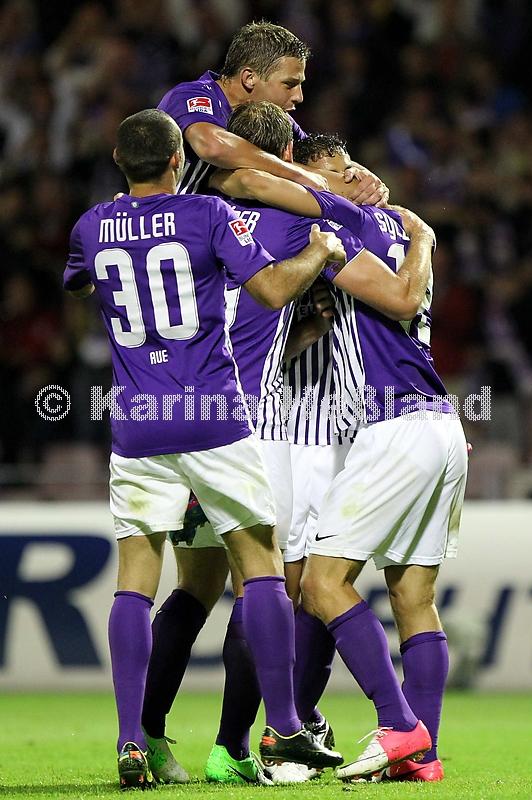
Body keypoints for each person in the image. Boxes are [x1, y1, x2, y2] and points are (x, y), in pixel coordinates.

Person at [142, 101, 434, 785]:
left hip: (169, 413)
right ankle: (260, 738)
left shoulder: (191, 218)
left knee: (193, 585)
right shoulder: (299, 222)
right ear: (286, 163)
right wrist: (377, 220)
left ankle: (145, 735)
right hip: (258, 428)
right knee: (277, 584)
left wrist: (301, 329)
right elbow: (387, 297)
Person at [63, 108, 346, 790]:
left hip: (138, 421)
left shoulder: (91, 225)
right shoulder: (205, 215)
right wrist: (321, 252)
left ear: (118, 159)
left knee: (136, 578)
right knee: (261, 565)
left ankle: (133, 739)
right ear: (175, 161)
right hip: (213, 415)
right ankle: (284, 724)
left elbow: (80, 285)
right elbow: (271, 290)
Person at [211, 117, 468, 781]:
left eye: (326, 175)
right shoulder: (399, 231)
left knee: (321, 584)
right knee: (414, 597)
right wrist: (424, 235)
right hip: (443, 426)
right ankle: (422, 756)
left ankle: (398, 727)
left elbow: (245, 179)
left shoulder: (343, 222)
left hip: (394, 426)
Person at [157, 20, 387, 203]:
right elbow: (212, 146)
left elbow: (319, 157)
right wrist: (293, 172)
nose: (299, 96)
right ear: (249, 78)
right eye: (289, 84)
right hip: (161, 228)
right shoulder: (191, 96)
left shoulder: (272, 118)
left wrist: (362, 176)